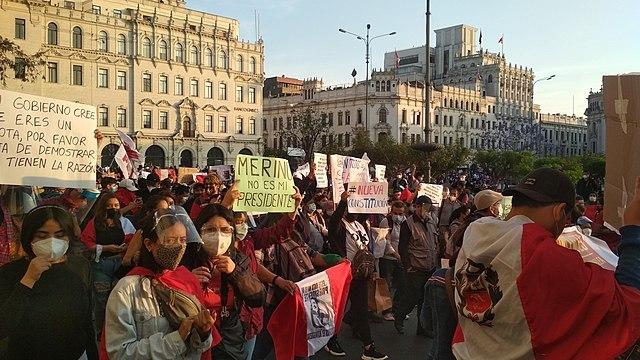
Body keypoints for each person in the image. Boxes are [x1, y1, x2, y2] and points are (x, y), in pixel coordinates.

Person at [452, 168, 640, 359]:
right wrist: (633, 227)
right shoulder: (542, 254)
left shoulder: (475, 233)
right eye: (567, 219)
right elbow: (626, 304)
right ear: (559, 212)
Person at [104, 209, 214, 359]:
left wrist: (203, 333)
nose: (179, 247)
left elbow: (198, 349)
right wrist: (176, 339)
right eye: (169, 241)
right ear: (149, 244)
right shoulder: (127, 289)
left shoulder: (186, 279)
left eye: (182, 240)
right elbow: (120, 353)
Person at [0, 206, 97, 359]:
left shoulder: (80, 267)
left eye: (60, 235)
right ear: (29, 237)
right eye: (42, 236)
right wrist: (28, 280)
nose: (52, 242)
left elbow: (88, 320)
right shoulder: (10, 273)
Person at [185, 204, 266, 359]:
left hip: (230, 338)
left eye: (225, 230)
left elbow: (258, 298)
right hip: (195, 335)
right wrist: (188, 280)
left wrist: (235, 272)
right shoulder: (188, 258)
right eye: (210, 230)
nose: (218, 236)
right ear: (198, 232)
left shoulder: (238, 259)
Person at [329, 191, 388, 360]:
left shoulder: (360, 225)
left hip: (360, 275)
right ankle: (331, 340)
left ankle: (368, 347)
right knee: (337, 310)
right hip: (344, 274)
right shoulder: (340, 225)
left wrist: (372, 270)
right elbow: (332, 224)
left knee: (361, 310)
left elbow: (365, 248)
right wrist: (342, 203)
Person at [81, 193, 137, 332]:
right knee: (102, 301)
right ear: (103, 207)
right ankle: (100, 331)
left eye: (116, 205)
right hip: (101, 265)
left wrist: (123, 247)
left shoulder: (120, 222)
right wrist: (107, 248)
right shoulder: (94, 223)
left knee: (119, 299)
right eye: (110, 206)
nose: (114, 208)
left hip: (119, 264)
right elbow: (87, 243)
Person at [394, 195, 439, 336]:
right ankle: (399, 316)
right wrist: (407, 266)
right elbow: (402, 247)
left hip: (430, 266)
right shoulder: (408, 224)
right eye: (423, 207)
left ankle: (422, 328)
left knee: (425, 300)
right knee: (412, 297)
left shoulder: (431, 221)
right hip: (415, 267)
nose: (426, 211)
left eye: (428, 208)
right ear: (417, 207)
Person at [378, 201, 405, 322]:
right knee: (387, 285)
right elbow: (385, 240)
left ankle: (397, 309)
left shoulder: (405, 221)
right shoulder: (386, 222)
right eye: (396, 213)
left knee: (401, 284)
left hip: (400, 257)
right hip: (388, 258)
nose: (398, 216)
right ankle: (386, 311)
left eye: (400, 213)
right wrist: (394, 253)